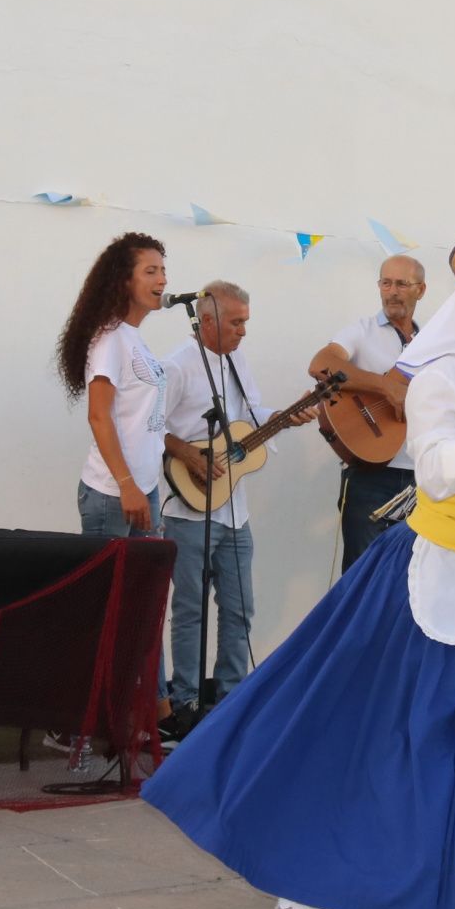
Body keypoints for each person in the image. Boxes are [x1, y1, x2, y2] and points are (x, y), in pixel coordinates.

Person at [145, 221, 455, 909]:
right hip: (444, 575)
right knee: (422, 743)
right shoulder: (447, 372)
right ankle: (406, 883)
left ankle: (426, 863)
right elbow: (439, 470)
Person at [159, 281, 317, 736]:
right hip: (186, 511)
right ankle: (184, 701)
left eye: (246, 321)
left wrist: (283, 418)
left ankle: (232, 698)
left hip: (234, 510)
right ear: (206, 321)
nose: (244, 331)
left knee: (240, 608)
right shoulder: (177, 367)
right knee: (189, 609)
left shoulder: (237, 361)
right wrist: (188, 455)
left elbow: (250, 416)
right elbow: (153, 428)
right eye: (236, 322)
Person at [308, 255, 425, 572]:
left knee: (412, 577)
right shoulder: (362, 330)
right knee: (362, 575)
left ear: (421, 290)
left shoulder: (433, 344)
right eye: (386, 283)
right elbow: (322, 364)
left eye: (402, 284)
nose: (392, 291)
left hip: (421, 475)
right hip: (370, 473)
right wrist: (384, 387)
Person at [57, 232, 169, 541]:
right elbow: (98, 416)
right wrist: (126, 484)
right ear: (124, 282)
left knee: (144, 586)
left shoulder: (133, 338)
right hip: (113, 492)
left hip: (145, 487)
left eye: (162, 270)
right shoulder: (110, 339)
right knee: (110, 588)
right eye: (150, 271)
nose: (162, 280)